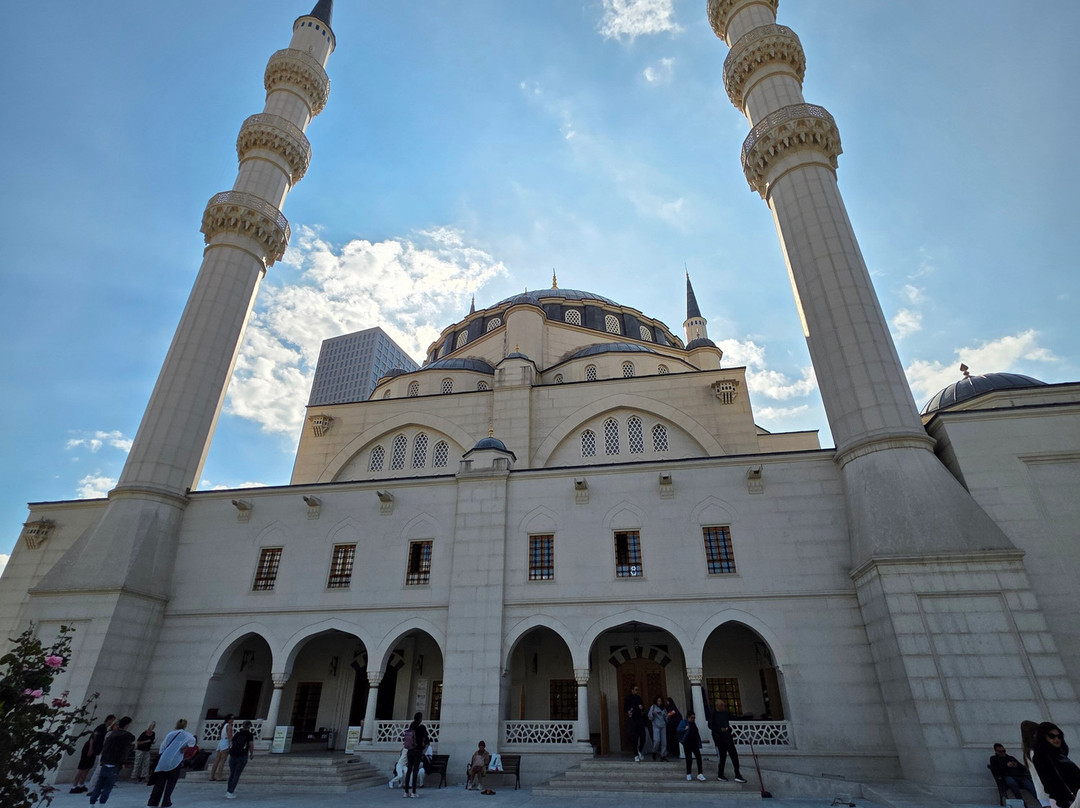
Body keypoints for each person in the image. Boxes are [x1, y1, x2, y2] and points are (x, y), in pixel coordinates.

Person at [147, 718, 196, 808]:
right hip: (176, 760)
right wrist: (185, 747)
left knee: (159, 782)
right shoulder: (188, 735)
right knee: (171, 782)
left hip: (164, 759)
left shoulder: (170, 734)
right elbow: (192, 742)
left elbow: (163, 746)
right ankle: (166, 802)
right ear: (185, 725)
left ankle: (152, 802)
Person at [88, 716, 135, 805]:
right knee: (108, 787)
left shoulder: (110, 734)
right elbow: (124, 751)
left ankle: (92, 802)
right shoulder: (126, 736)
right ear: (127, 725)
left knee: (99, 785)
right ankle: (101, 804)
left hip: (105, 762)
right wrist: (122, 763)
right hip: (115, 764)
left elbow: (105, 748)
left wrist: (103, 761)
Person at [1032, 722, 1080, 808]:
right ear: (1044, 737)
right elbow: (1049, 783)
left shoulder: (1060, 754)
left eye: (1059, 736)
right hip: (1066, 800)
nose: (1056, 739)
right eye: (1052, 736)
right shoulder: (1041, 756)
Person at [71, 714, 117, 793]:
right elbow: (93, 738)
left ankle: (81, 785)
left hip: (95, 750)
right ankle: (74, 786)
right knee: (81, 768)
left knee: (87, 768)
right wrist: (90, 749)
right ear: (109, 720)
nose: (112, 722)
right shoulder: (101, 728)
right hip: (89, 749)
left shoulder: (105, 729)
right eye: (112, 720)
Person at [705, 698, 747, 783]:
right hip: (719, 739)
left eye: (723, 705)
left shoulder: (725, 714)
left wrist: (728, 730)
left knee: (734, 756)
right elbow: (710, 725)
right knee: (722, 758)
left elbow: (728, 723)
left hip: (728, 738)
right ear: (717, 706)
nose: (723, 707)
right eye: (721, 705)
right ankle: (720, 775)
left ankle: (738, 774)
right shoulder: (713, 714)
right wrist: (720, 730)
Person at [225, 720, 255, 799]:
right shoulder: (249, 735)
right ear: (249, 727)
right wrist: (251, 753)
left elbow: (231, 742)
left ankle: (228, 791)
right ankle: (231, 791)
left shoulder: (238, 733)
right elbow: (251, 744)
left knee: (232, 773)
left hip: (233, 755)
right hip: (242, 756)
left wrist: (229, 750)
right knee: (236, 774)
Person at [403, 712, 429, 798]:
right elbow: (427, 740)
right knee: (415, 770)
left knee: (409, 769)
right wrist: (423, 747)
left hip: (410, 750)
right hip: (417, 751)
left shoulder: (411, 726)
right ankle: (414, 791)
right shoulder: (421, 727)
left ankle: (406, 791)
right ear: (420, 718)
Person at [679, 712, 706, 780]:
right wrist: (685, 729)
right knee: (689, 759)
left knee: (698, 758)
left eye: (694, 718)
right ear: (688, 717)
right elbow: (679, 730)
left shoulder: (693, 724)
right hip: (687, 743)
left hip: (694, 743)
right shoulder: (684, 722)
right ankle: (688, 773)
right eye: (692, 718)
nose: (693, 719)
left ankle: (700, 773)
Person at [624, 685, 647, 762]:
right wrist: (628, 712)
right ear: (632, 690)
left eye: (638, 689)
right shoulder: (628, 698)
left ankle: (639, 751)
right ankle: (636, 755)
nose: (637, 691)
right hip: (632, 719)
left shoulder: (639, 698)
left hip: (639, 719)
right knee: (634, 737)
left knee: (643, 736)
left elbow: (643, 708)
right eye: (636, 689)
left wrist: (641, 708)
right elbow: (625, 708)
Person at [209, 714, 234, 781]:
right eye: (231, 718)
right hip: (225, 742)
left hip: (221, 742)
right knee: (222, 760)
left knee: (217, 760)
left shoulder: (223, 726)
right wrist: (231, 744)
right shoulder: (229, 726)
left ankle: (212, 776)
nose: (232, 720)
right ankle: (219, 776)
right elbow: (229, 736)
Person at [648, 697, 668, 761]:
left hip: (663, 726)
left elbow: (666, 717)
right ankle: (654, 751)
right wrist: (653, 714)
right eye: (658, 701)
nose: (659, 702)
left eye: (660, 701)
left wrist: (668, 716)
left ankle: (663, 755)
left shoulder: (663, 709)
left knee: (664, 741)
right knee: (657, 740)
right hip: (656, 725)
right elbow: (650, 717)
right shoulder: (653, 707)